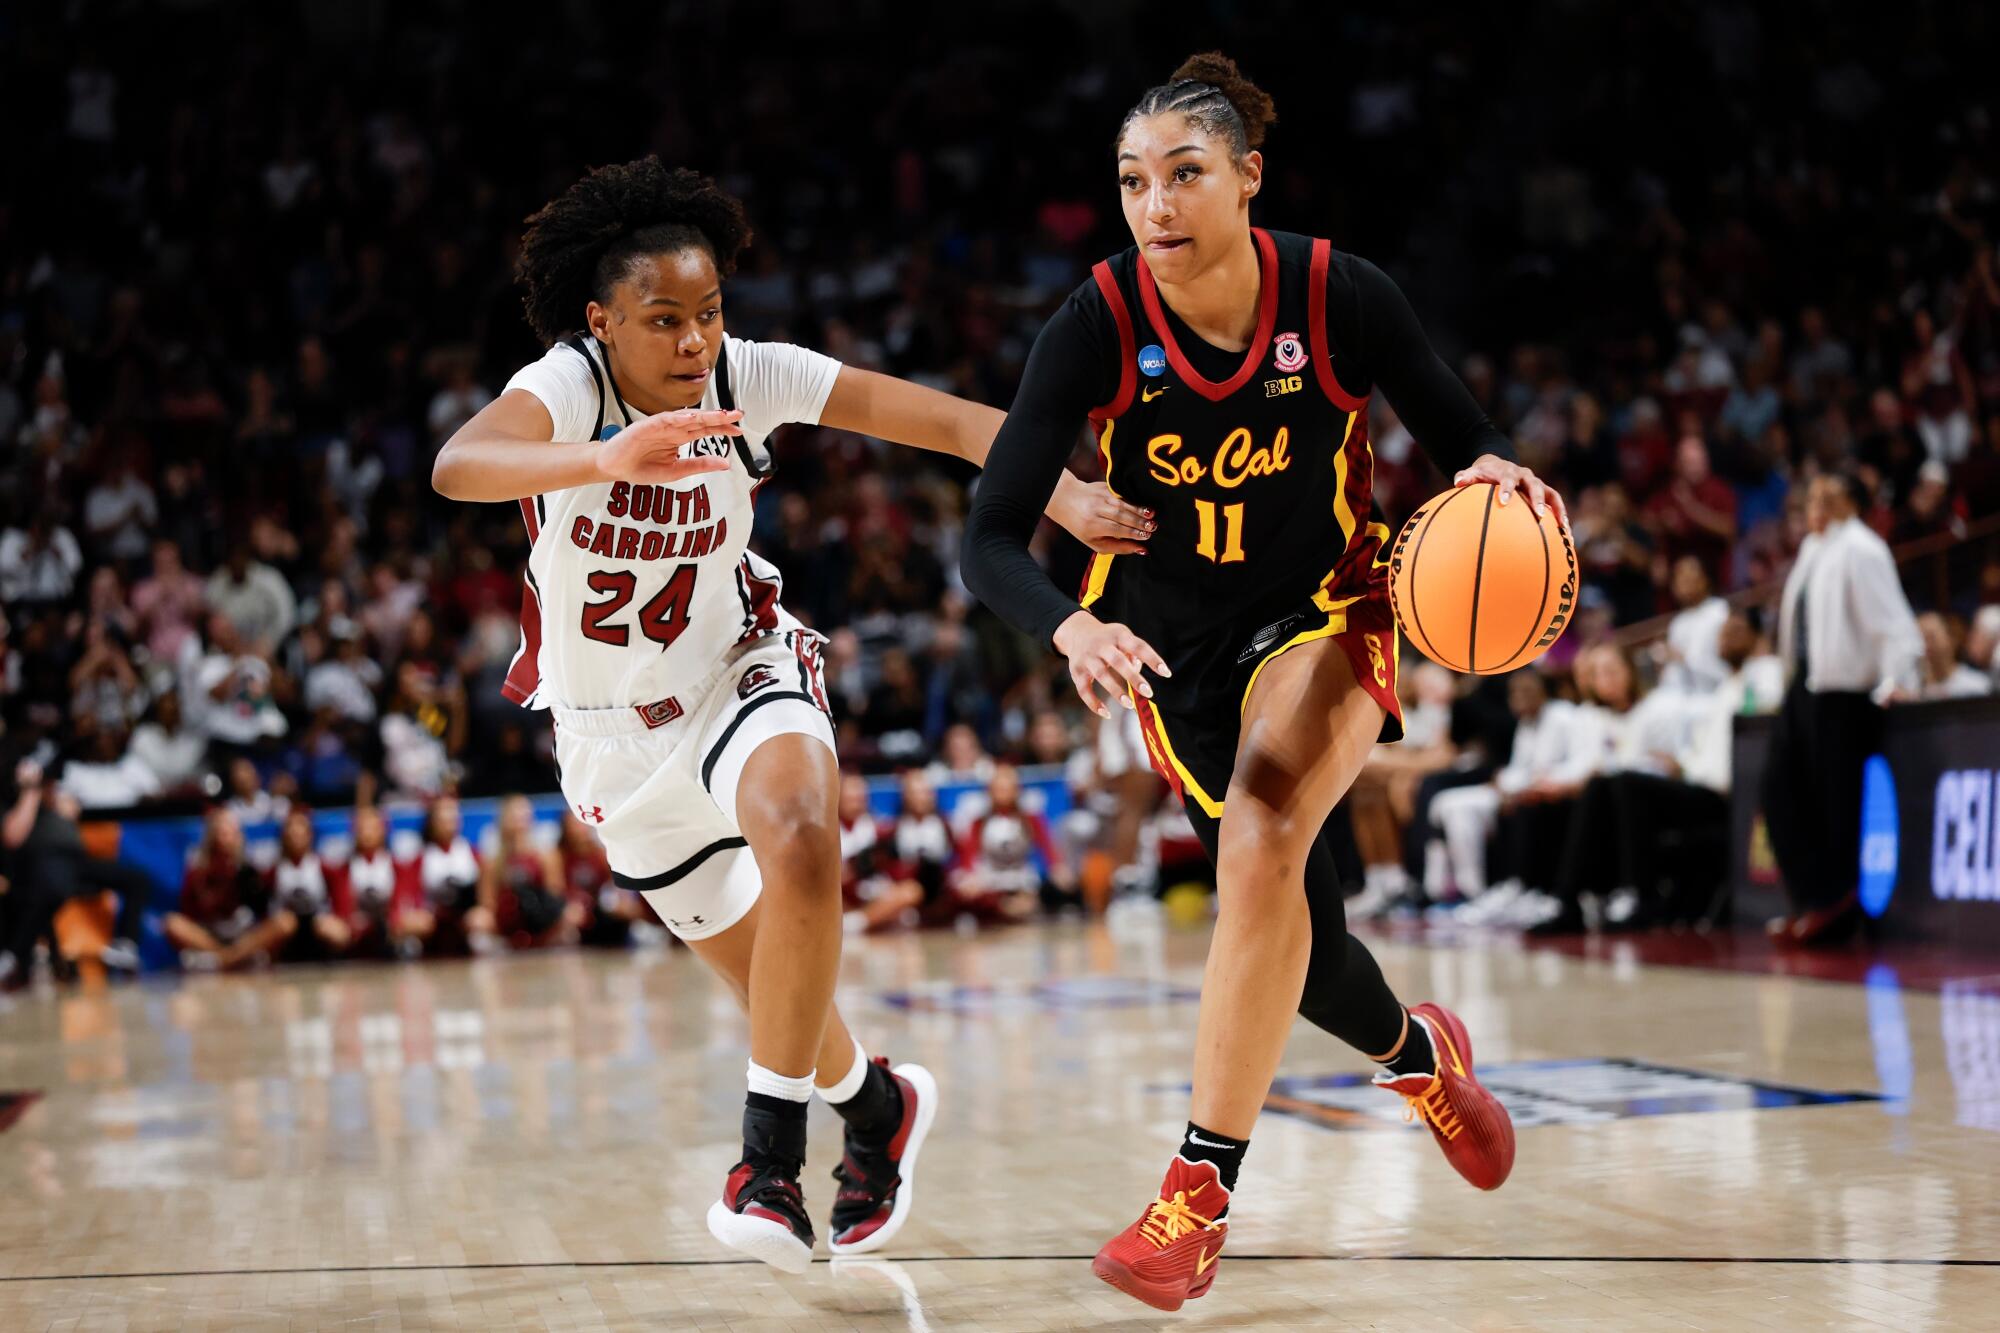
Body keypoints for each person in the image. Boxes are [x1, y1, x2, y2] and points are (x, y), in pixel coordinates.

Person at [431, 156, 1148, 1268]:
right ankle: (876, 1113)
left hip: (736, 668)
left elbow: (953, 422)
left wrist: (1057, 491)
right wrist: (602, 454)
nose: (691, 341)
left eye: (706, 313)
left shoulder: (746, 377)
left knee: (806, 831)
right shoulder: (568, 387)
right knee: (784, 995)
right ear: (600, 322)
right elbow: (458, 463)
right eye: (661, 320)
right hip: (612, 745)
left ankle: (766, 1168)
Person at [959, 53, 1558, 1309]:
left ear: (1246, 178)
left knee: (1266, 833)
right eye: (1131, 183)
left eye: (1183, 175)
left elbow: (1465, 439)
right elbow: (987, 532)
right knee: (1304, 938)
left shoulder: (1339, 293)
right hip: (1174, 653)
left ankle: (1194, 1197)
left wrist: (1502, 476)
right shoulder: (1098, 322)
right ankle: (1419, 1057)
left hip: (1325, 613)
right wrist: (1065, 627)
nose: (1155, 205)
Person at [1761, 472, 1923, 946]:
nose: (1815, 504)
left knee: (1835, 804)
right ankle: (1812, 899)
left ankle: (1835, 904)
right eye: (1810, 495)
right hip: (1803, 687)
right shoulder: (1814, 550)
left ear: (1853, 503)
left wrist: (1898, 679)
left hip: (1844, 692)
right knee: (1780, 790)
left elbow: (1893, 622)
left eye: (1827, 496)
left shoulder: (1863, 547)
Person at [1, 759, 155, 984]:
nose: (52, 787)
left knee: (138, 879)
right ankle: (13, 956)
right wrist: (30, 793)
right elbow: (13, 837)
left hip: (78, 864)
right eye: (45, 784)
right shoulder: (18, 805)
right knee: (52, 890)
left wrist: (66, 809)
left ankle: (126, 946)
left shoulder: (60, 804)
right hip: (43, 867)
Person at [166, 807, 295, 971]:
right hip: (210, 933)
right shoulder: (199, 869)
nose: (225, 836)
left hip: (243, 934)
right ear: (211, 835)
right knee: (172, 923)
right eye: (221, 831)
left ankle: (226, 959)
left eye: (230, 831)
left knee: (285, 921)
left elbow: (262, 909)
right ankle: (227, 957)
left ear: (238, 835)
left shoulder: (247, 866)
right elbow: (189, 910)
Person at [479, 795, 579, 949]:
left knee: (571, 916)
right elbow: (487, 900)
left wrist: (538, 909)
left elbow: (556, 893)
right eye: (515, 814)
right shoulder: (493, 861)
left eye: (524, 812)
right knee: (478, 920)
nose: (520, 818)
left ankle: (545, 943)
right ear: (504, 819)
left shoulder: (546, 856)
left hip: (540, 917)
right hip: (506, 919)